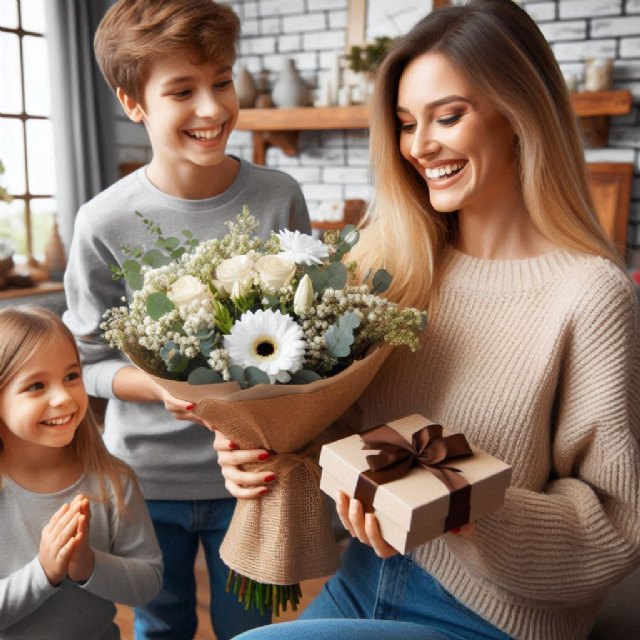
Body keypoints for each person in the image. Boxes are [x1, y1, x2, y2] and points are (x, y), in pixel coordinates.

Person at [216, 2, 640, 639]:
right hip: (360, 580)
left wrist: (464, 509)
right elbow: (339, 428)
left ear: (520, 114)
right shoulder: (390, 264)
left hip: (489, 617)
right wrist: (265, 447)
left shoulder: (589, 295)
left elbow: (613, 526)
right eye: (407, 123)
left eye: (448, 116)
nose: (419, 146)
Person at [62, 1, 311, 638]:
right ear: (132, 102)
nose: (212, 108)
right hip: (145, 482)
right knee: (160, 626)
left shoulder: (278, 194)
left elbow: (306, 339)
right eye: (182, 90)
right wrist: (161, 388)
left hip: (254, 475)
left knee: (254, 630)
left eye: (222, 81)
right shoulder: (103, 221)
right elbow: (86, 365)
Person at [0, 306, 163, 640]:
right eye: (36, 386)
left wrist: (89, 565)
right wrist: (43, 573)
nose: (63, 397)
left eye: (71, 376)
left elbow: (148, 584)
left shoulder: (114, 481)